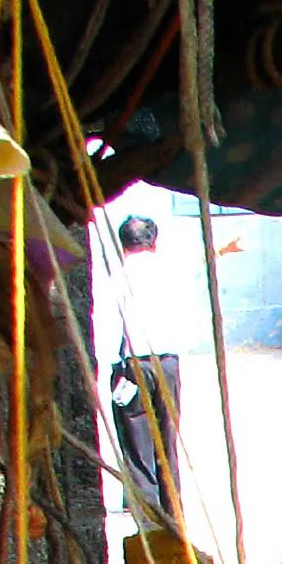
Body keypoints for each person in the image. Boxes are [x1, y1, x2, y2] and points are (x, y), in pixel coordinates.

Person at [108, 213, 185, 518]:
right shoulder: (169, 269)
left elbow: (107, 326)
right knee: (167, 441)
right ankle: (175, 515)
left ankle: (149, 520)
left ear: (123, 243)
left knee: (138, 447)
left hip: (133, 367)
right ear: (154, 242)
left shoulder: (118, 273)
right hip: (167, 365)